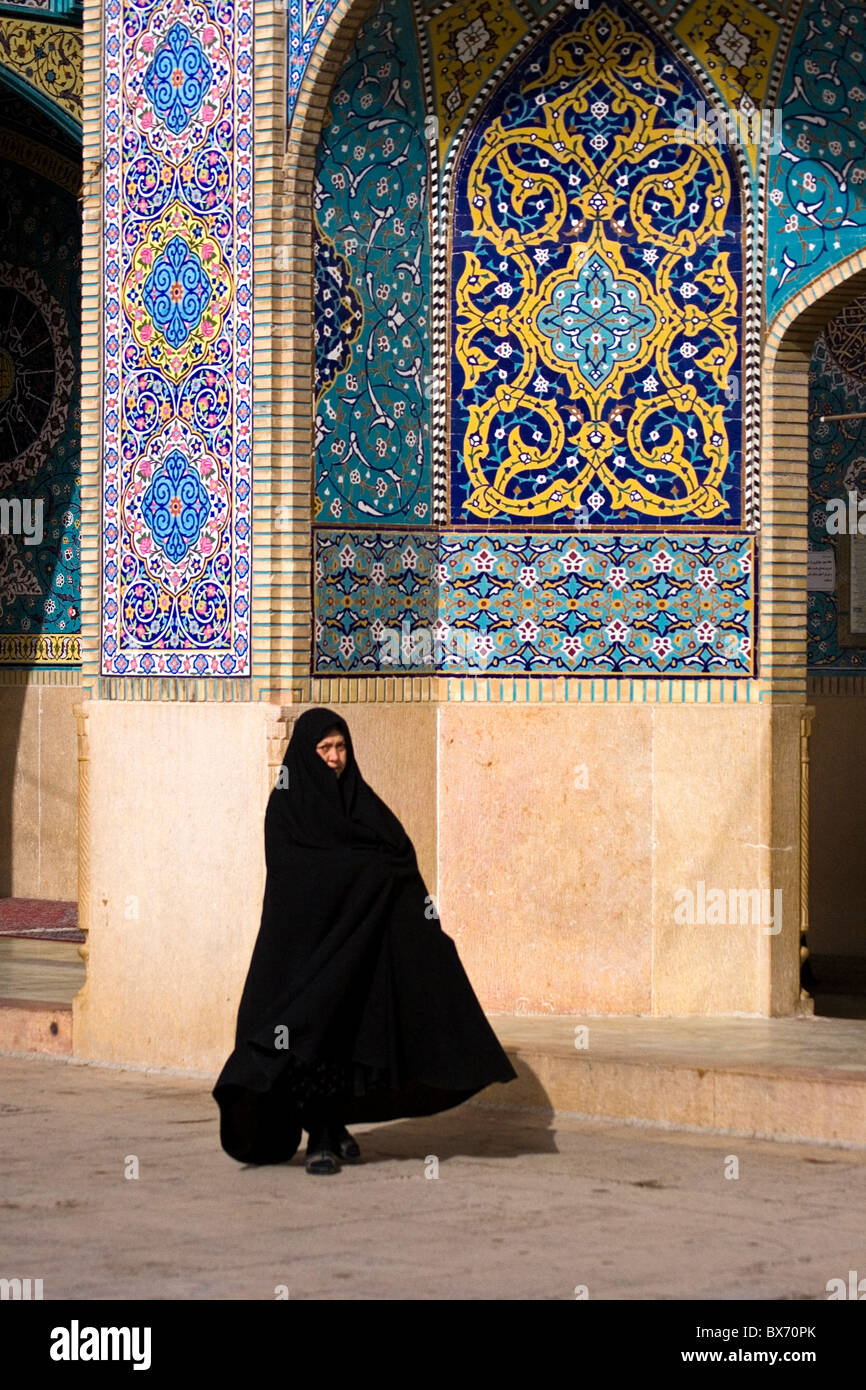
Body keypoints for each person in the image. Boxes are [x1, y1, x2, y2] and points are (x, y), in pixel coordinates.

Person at [213, 706, 517, 1174]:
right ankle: (319, 1136)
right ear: (305, 752)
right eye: (325, 748)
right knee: (305, 1039)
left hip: (357, 952)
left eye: (341, 748)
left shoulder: (359, 801)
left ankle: (330, 1130)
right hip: (305, 955)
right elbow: (301, 877)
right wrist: (365, 874)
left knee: (350, 1038)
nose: (334, 758)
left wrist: (387, 892)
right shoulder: (288, 808)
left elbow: (398, 852)